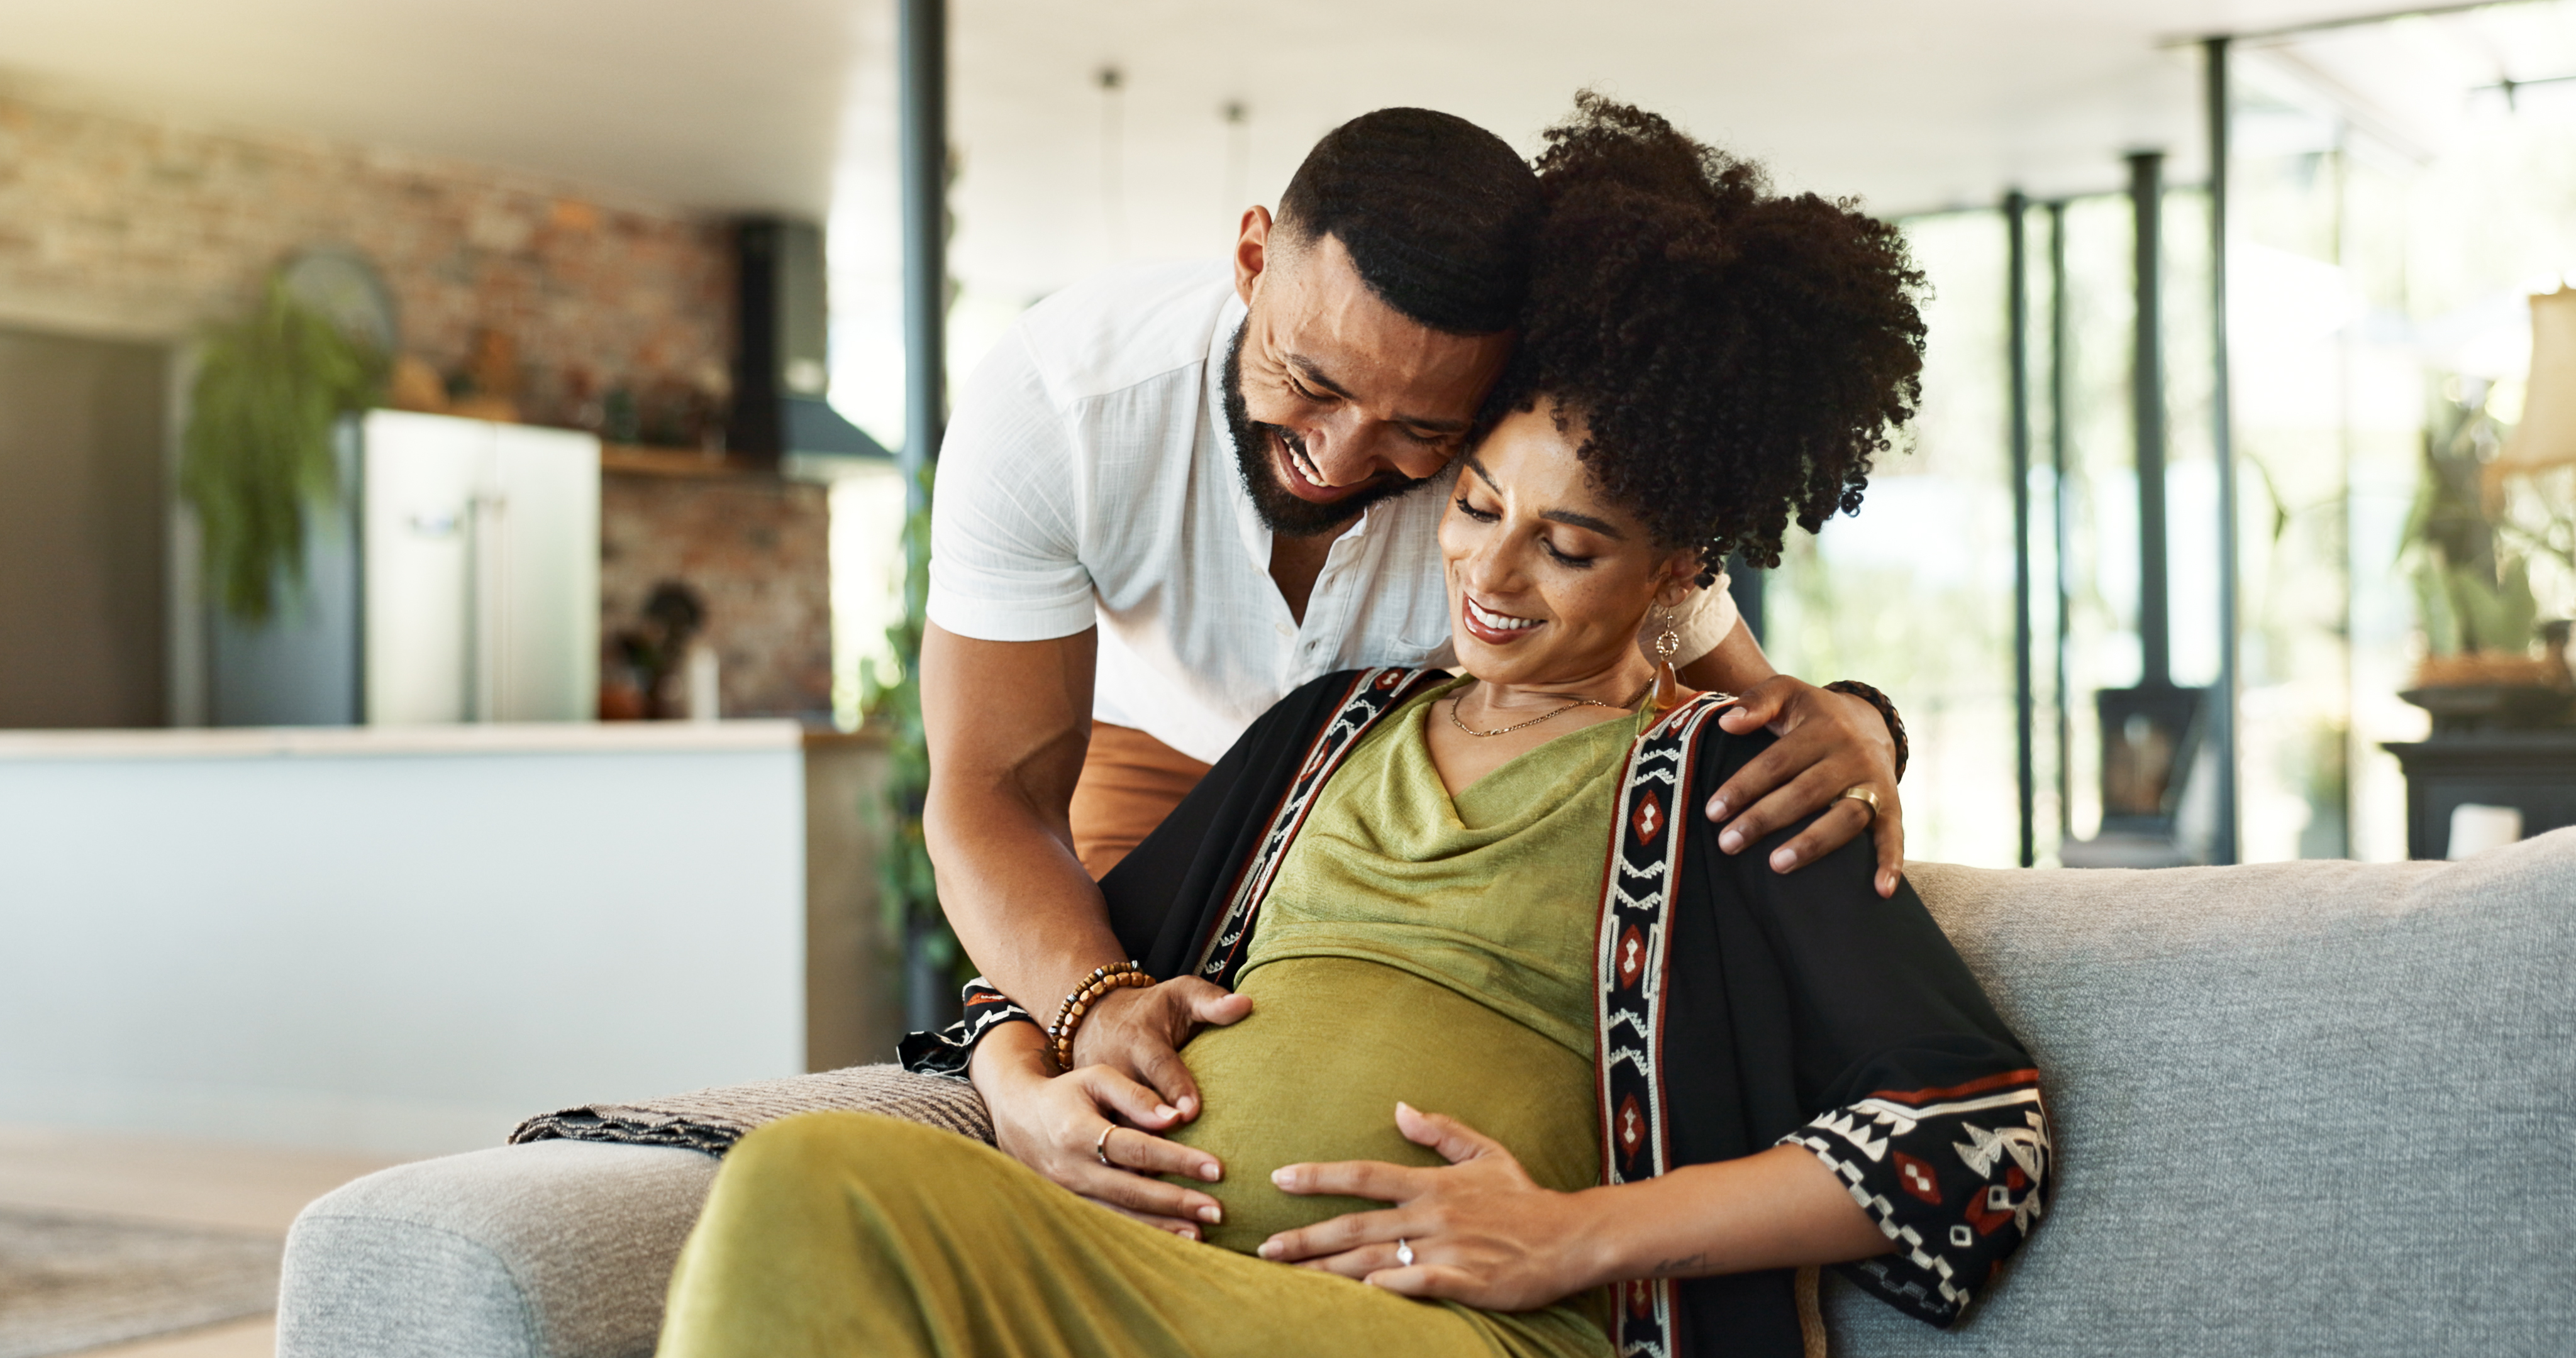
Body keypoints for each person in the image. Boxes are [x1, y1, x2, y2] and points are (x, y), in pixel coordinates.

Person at [660, 97, 2046, 1358]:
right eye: (1478, 511)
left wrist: (1575, 1236)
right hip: (1154, 1273)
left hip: (1421, 1330)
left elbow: (1972, 1139)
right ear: (1252, 258)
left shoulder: (1725, 782)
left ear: (1677, 571)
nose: (1489, 578)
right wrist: (1032, 1071)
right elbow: (1024, 881)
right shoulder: (1326, 722)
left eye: (1565, 547)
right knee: (808, 1175)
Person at [919, 102, 1914, 1216]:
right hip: (1169, 761)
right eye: (1313, 381)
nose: (1339, 458)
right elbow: (990, 795)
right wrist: (1072, 1017)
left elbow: (1731, 691)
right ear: (1252, 259)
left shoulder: (1524, 451)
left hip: (1358, 780)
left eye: (1422, 433)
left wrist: (1862, 724)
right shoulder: (1062, 404)